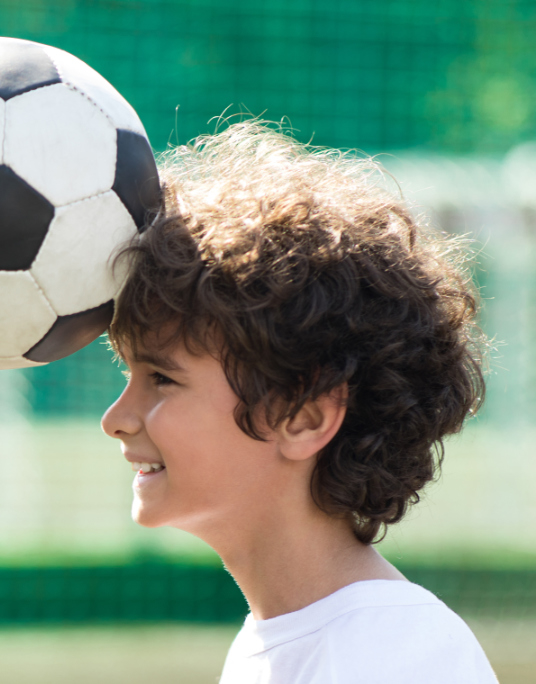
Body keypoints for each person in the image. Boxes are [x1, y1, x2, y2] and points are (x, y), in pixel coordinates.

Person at [100, 122, 498, 682]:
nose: (115, 419)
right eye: (128, 373)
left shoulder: (397, 654)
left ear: (304, 416)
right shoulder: (279, 642)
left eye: (162, 379)